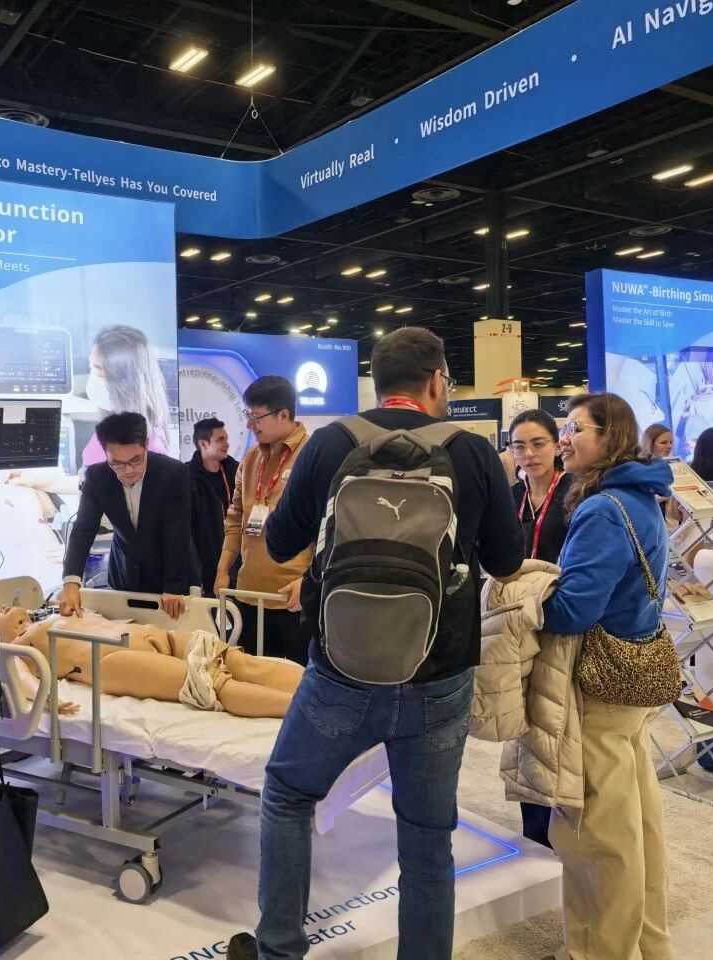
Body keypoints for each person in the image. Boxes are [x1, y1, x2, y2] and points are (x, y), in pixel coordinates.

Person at [225, 327, 524, 960]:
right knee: (427, 837)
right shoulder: (473, 452)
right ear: (438, 381)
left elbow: (279, 543)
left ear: (377, 383)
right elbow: (506, 560)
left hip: (341, 670)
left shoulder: (331, 442)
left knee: (288, 794)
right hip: (440, 674)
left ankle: (279, 948)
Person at [542, 392, 675, 960]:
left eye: (576, 428)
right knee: (638, 826)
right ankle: (648, 945)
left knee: (597, 835)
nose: (564, 438)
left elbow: (574, 610)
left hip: (600, 686)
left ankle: (600, 952)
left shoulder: (602, 509)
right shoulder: (642, 496)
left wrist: (530, 595)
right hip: (633, 679)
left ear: (610, 435)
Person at [0, 609, 304, 719]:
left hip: (159, 637)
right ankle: (304, 710)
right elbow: (19, 675)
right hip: (111, 661)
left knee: (242, 662)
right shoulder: (17, 647)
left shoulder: (59, 610)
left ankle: (320, 691)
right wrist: (44, 697)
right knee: (214, 684)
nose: (2, 606)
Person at [59, 412, 199, 621]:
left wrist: (173, 587)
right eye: (117, 463)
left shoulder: (172, 472)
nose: (128, 470)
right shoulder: (97, 477)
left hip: (172, 573)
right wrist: (71, 583)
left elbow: (176, 532)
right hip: (125, 574)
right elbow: (83, 529)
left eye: (135, 460)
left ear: (146, 445)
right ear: (106, 453)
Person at [507, 408, 570, 849]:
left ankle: (563, 825)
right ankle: (534, 830)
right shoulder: (511, 496)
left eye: (537, 444)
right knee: (525, 725)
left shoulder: (575, 493)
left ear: (556, 445)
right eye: (519, 446)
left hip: (561, 620)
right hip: (518, 621)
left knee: (557, 724)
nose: (529, 454)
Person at [214, 377, 312, 664]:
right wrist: (223, 569)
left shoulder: (312, 456)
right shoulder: (251, 458)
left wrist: (310, 580)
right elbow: (235, 517)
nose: (249, 424)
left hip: (292, 599)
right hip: (248, 595)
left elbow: (328, 527)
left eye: (256, 417)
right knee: (249, 678)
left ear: (283, 414)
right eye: (248, 416)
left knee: (293, 683)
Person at [80, 325, 173, 468]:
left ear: (123, 380)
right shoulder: (116, 426)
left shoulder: (146, 446)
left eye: (98, 369)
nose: (93, 377)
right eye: (91, 367)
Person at [188, 418, 239, 597]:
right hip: (204, 564)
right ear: (203, 444)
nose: (227, 444)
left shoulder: (237, 471)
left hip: (235, 560)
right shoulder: (186, 478)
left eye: (226, 438)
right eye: (220, 440)